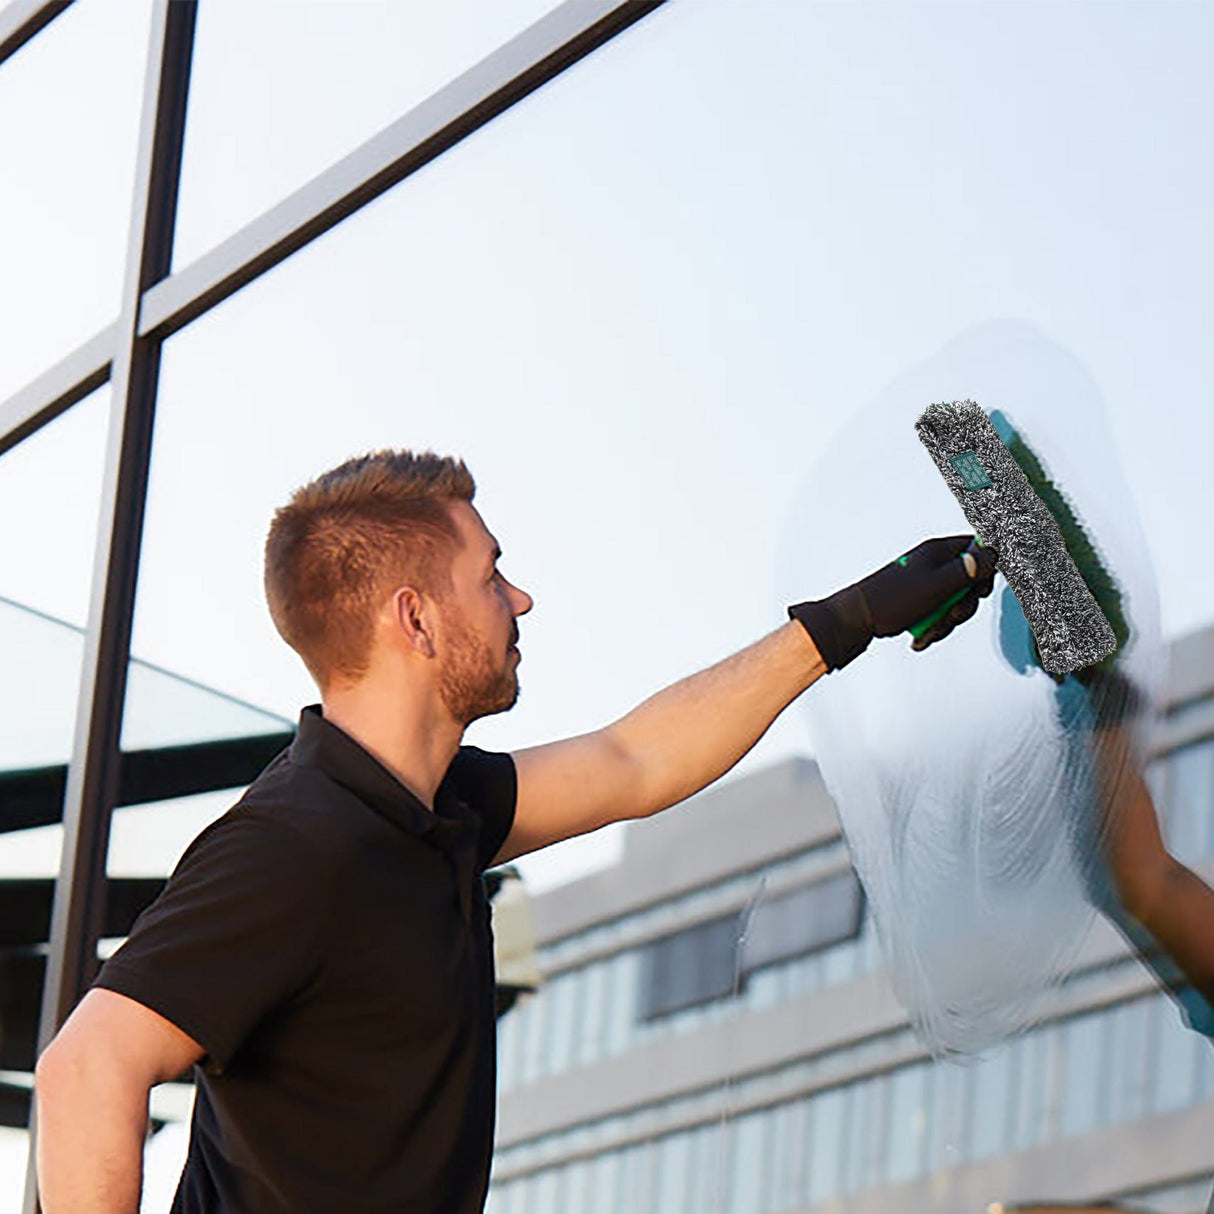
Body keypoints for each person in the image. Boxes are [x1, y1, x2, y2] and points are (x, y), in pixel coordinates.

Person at [32, 449, 997, 1214]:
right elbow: (85, 1066)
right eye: (491, 576)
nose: (520, 599)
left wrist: (848, 620)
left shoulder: (435, 808)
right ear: (416, 620)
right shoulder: (295, 844)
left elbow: (634, 761)